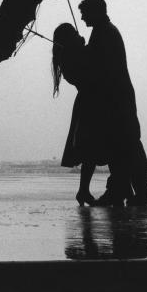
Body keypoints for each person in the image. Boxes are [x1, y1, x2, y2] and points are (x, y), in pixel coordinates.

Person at [78, 0, 147, 207]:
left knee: (121, 146)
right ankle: (131, 192)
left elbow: (102, 69)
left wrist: (84, 54)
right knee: (127, 145)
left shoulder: (104, 33)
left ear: (96, 11)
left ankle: (123, 192)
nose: (82, 18)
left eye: (84, 13)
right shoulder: (105, 31)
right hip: (119, 99)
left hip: (115, 100)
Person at [52, 23, 108, 206]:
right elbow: (90, 73)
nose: (78, 34)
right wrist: (85, 50)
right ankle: (83, 190)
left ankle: (83, 190)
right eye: (74, 33)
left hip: (88, 102)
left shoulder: (67, 57)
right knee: (90, 149)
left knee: (89, 150)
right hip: (90, 104)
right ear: (69, 38)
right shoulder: (71, 58)